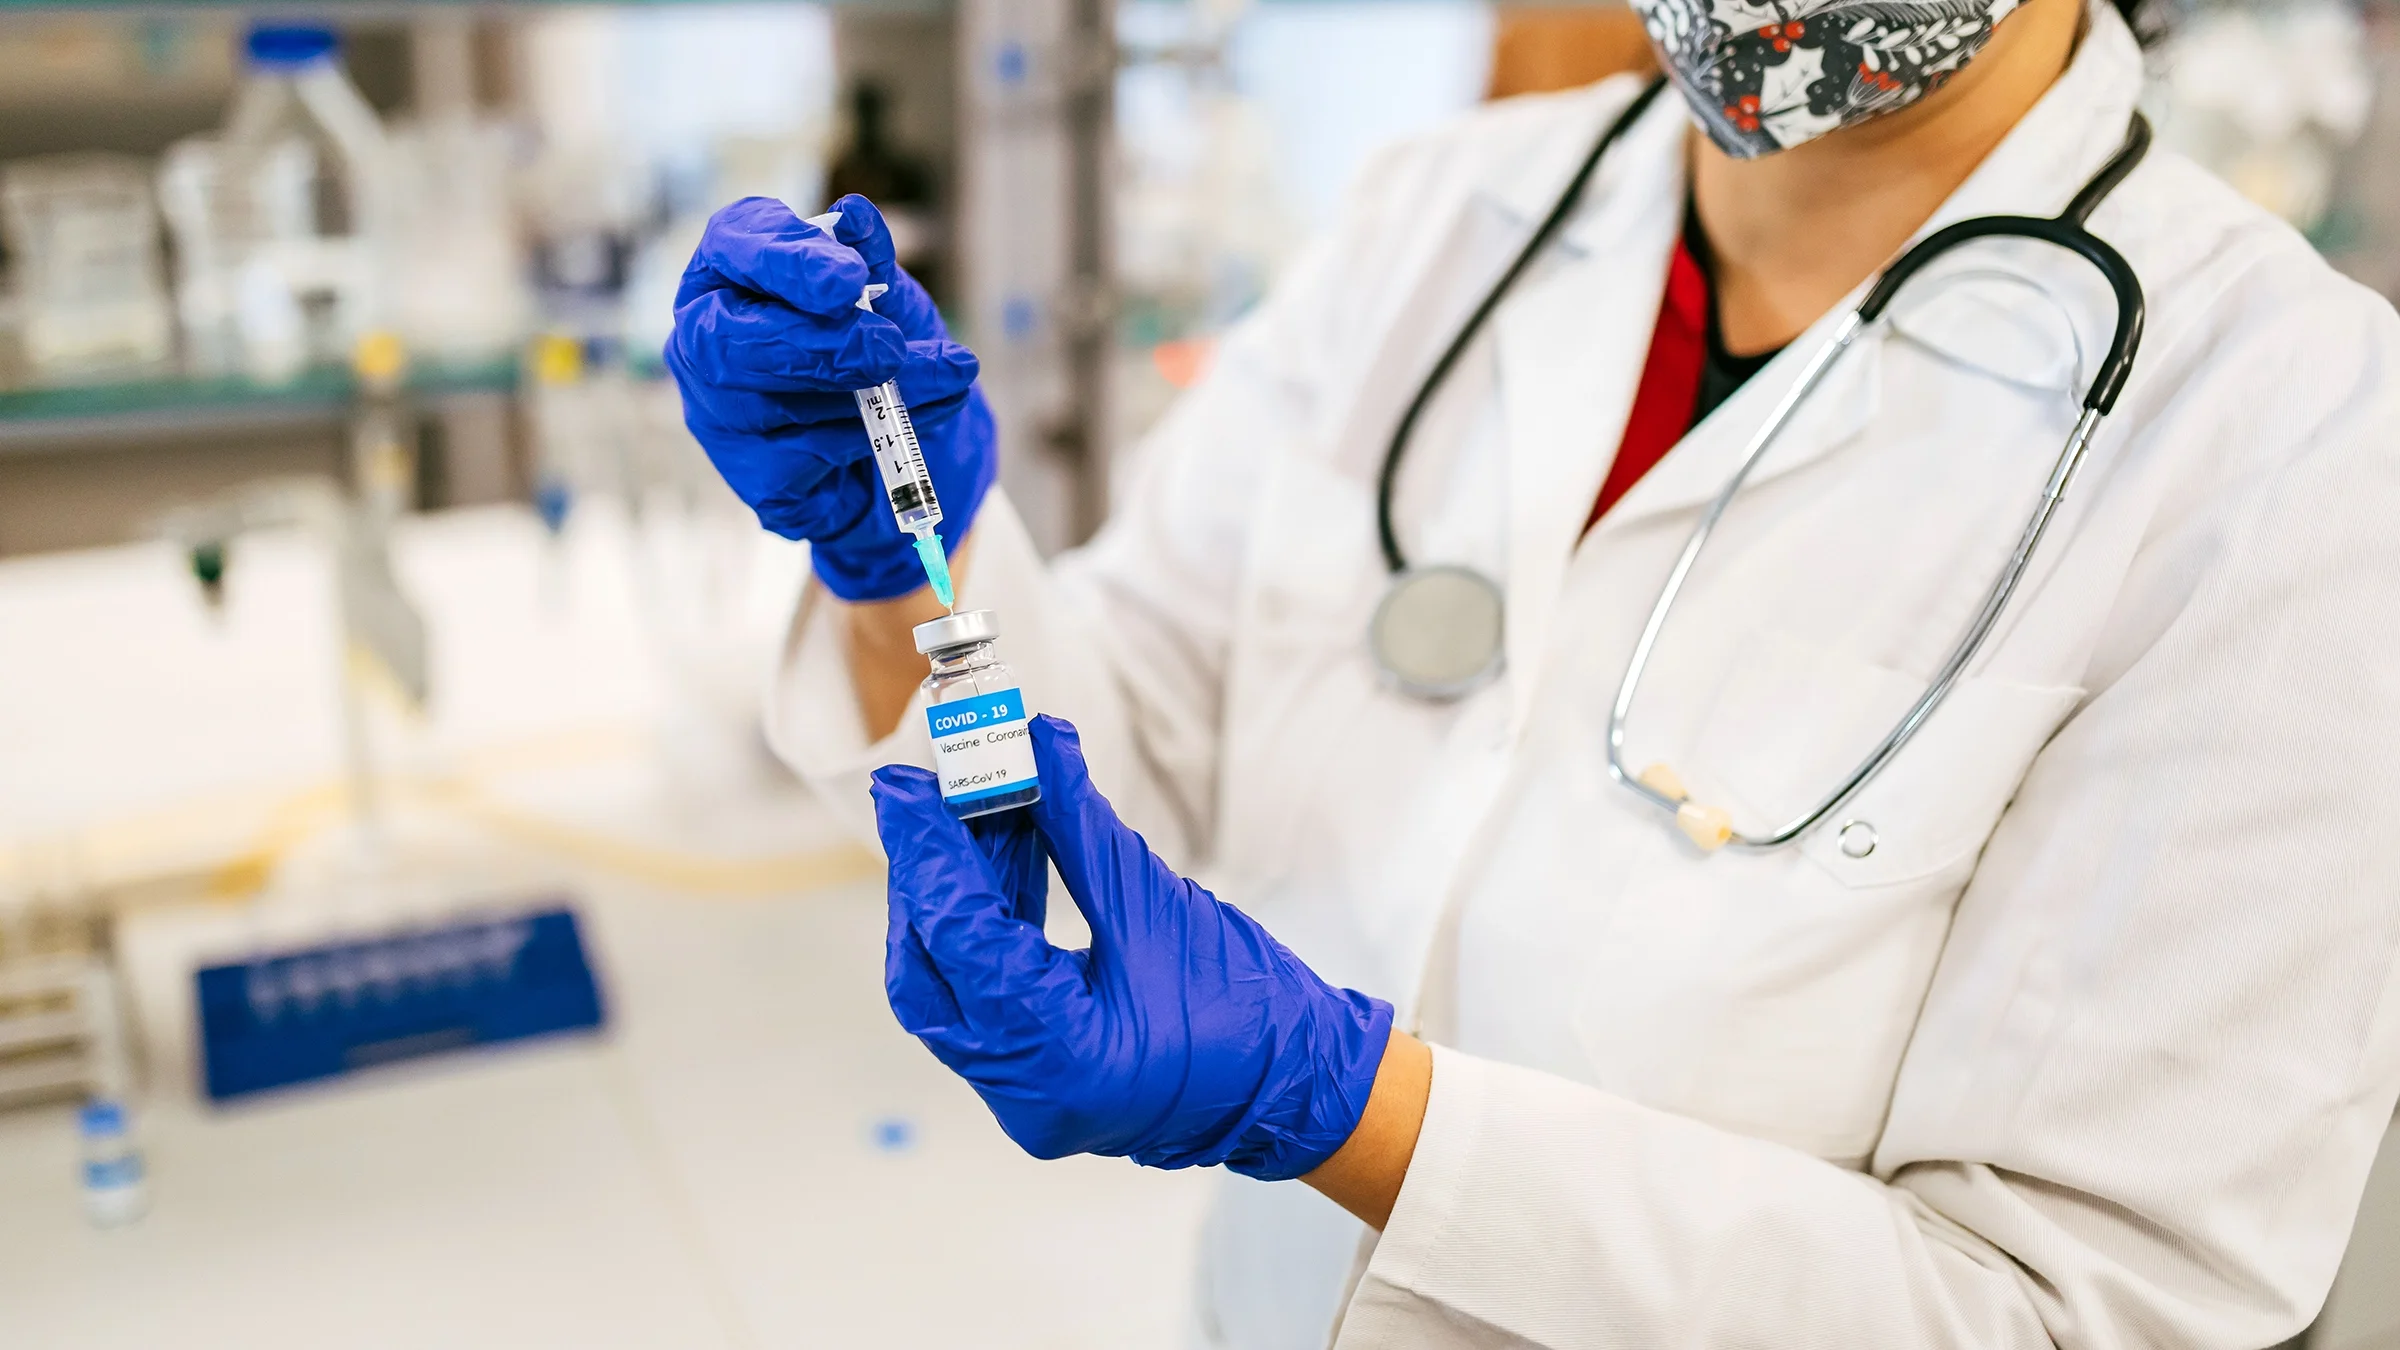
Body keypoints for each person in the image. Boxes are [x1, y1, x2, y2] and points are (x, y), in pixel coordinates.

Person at [666, 0, 2400, 1343]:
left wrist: (1354, 1111)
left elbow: (2065, 1311)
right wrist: (904, 562)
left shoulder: (2292, 429)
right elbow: (1123, 760)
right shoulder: (1449, 212)